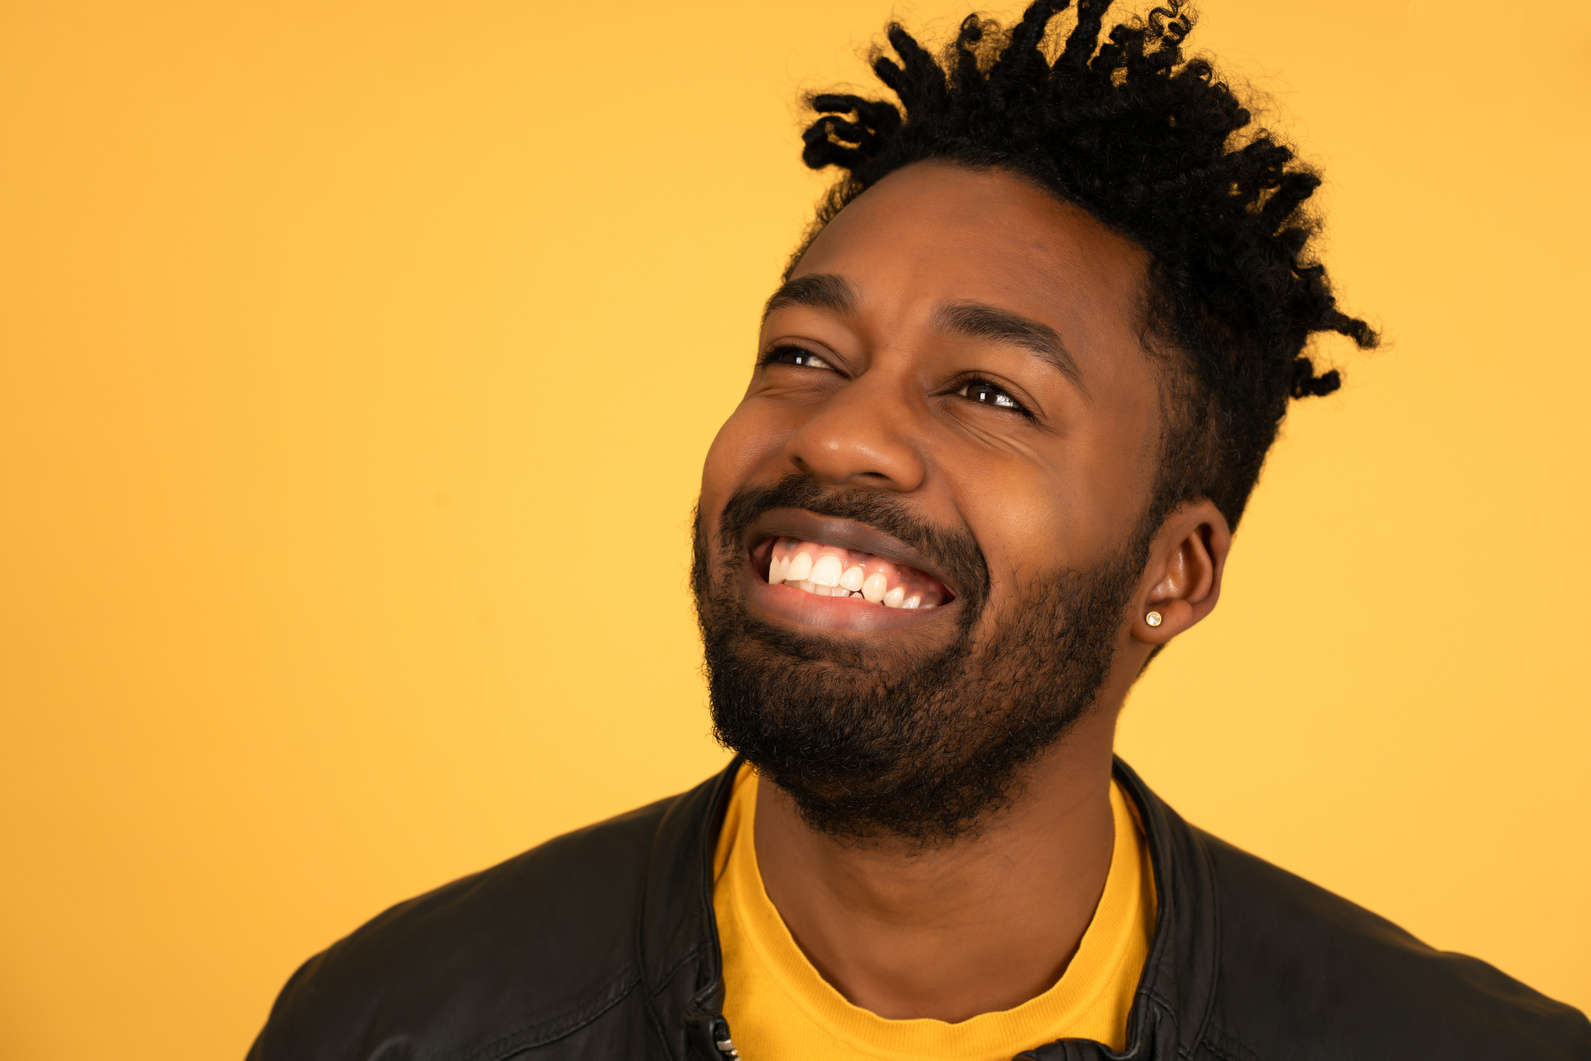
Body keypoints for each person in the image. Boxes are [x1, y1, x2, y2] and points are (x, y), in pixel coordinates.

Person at [248, 2, 1591, 1058]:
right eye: (806, 353)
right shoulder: (389, 1028)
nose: (837, 435)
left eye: (989, 392)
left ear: (1173, 574)